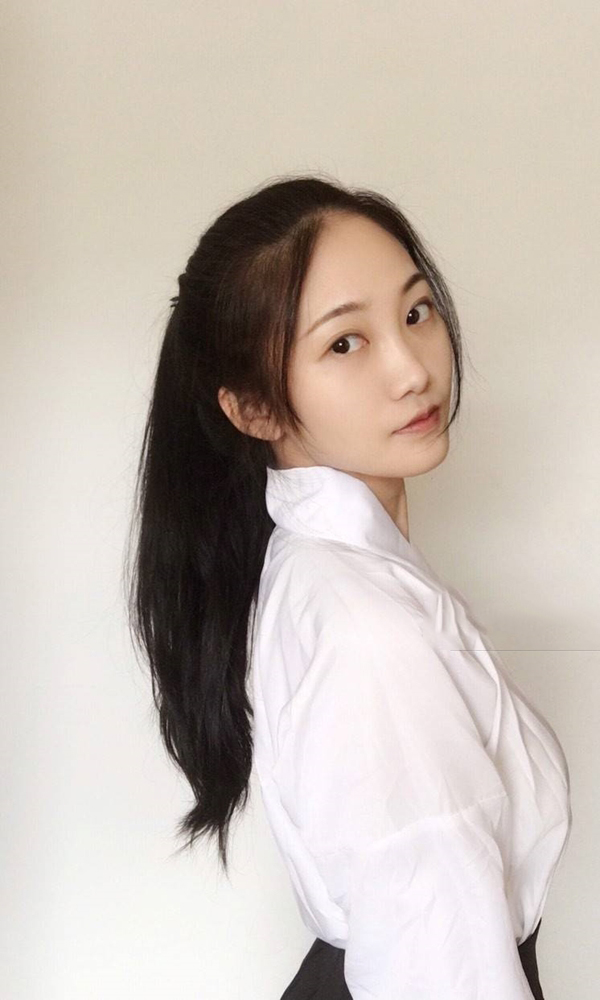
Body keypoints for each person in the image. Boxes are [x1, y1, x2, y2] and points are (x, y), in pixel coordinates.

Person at [125, 175, 572, 999]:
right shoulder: (364, 624)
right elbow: (438, 960)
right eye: (344, 343)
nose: (411, 370)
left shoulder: (329, 576)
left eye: (415, 312)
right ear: (254, 409)